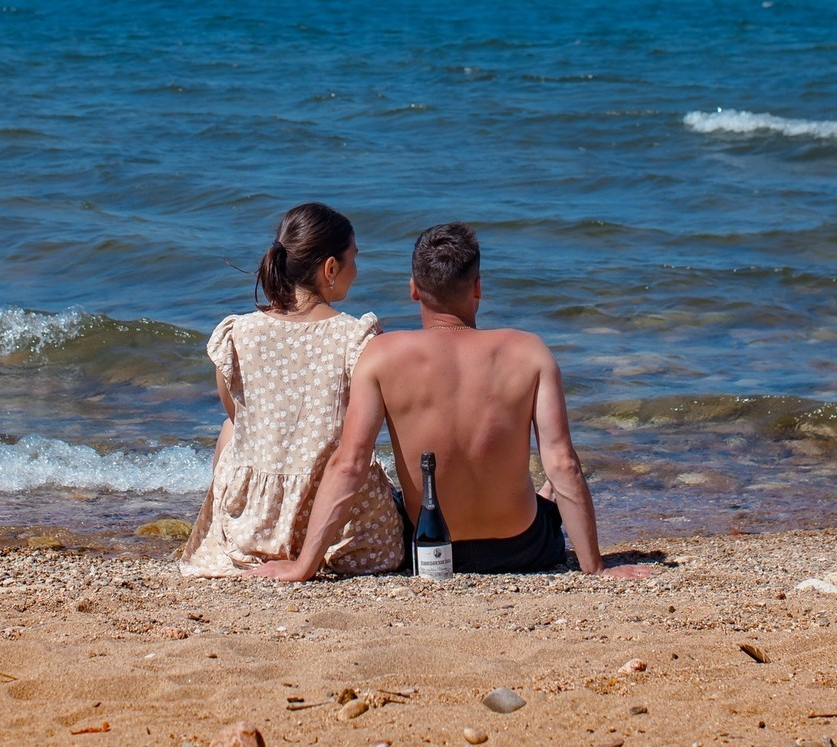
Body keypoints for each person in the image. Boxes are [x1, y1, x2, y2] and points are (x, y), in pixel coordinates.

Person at [250, 221, 605, 579]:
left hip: (426, 548)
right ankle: (544, 502)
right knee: (547, 493)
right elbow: (562, 462)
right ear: (478, 287)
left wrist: (302, 567)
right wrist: (596, 569)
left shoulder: (382, 356)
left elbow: (349, 464)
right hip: (523, 547)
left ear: (414, 290)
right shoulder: (529, 352)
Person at [178, 202, 404, 578]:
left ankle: (233, 529)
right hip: (337, 531)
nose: (356, 271)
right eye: (353, 260)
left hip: (252, 526)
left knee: (230, 429)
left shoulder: (239, 333)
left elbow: (238, 416)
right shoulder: (355, 337)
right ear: (330, 268)